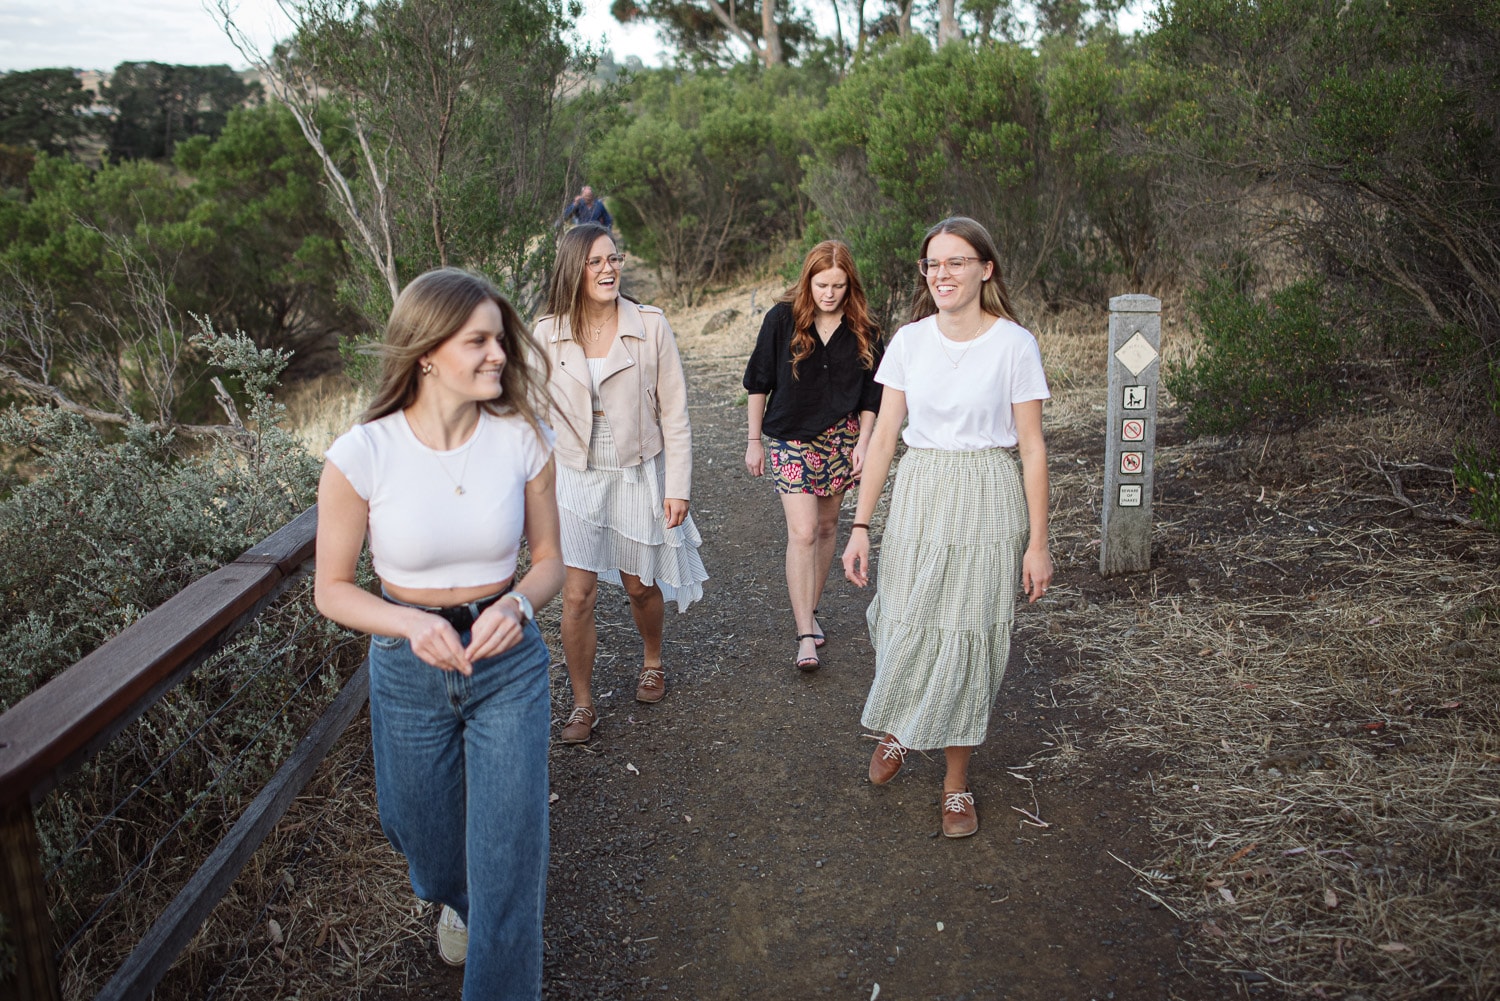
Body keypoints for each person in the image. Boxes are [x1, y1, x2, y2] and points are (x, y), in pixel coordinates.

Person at [314, 268, 564, 998]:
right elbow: (332, 589)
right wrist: (409, 622)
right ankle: (459, 899)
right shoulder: (362, 454)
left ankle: (497, 952)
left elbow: (549, 562)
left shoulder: (524, 439)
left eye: (500, 339)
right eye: (478, 341)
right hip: (407, 666)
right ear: (426, 352)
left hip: (508, 665)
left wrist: (516, 605)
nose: (498, 355)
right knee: (420, 834)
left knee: (510, 860)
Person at [841, 217, 1054, 839]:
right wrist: (860, 525)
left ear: (985, 269)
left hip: (988, 496)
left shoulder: (1016, 344)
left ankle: (955, 783)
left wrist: (1038, 543)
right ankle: (903, 727)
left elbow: (1033, 449)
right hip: (922, 492)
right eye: (932, 265)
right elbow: (883, 439)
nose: (942, 275)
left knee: (966, 634)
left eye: (956, 262)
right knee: (906, 620)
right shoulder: (908, 341)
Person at [535, 222, 707, 744]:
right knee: (577, 596)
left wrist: (677, 486)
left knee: (639, 584)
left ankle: (652, 658)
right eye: (595, 262)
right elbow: (530, 415)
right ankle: (582, 703)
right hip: (575, 476)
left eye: (614, 259)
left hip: (637, 471)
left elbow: (675, 411)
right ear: (573, 269)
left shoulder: (650, 324)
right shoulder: (546, 333)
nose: (608, 270)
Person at [743, 240, 882, 672]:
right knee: (802, 531)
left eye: (838, 285)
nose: (829, 293)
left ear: (849, 285)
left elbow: (873, 394)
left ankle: (811, 607)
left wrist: (864, 442)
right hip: (789, 437)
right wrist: (753, 439)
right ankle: (805, 632)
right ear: (809, 281)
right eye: (822, 284)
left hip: (842, 438)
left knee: (826, 527)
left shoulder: (866, 329)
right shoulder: (782, 320)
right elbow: (758, 381)